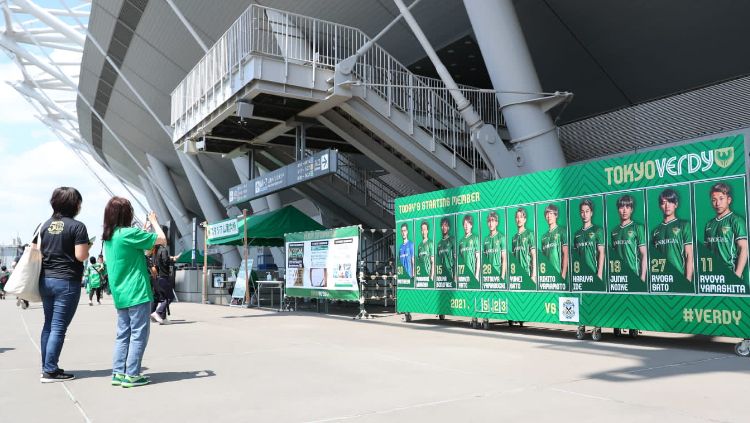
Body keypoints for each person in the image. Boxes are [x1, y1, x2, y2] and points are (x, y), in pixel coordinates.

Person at [103, 197, 166, 388]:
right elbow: (162, 239)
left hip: (121, 293)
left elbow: (144, 252)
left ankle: (118, 373)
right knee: (139, 333)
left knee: (123, 334)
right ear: (126, 214)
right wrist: (154, 221)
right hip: (137, 291)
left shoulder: (110, 236)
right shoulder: (128, 233)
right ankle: (132, 374)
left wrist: (144, 231)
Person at [35, 187, 90, 383]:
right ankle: (50, 370)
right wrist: (88, 248)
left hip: (45, 280)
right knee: (58, 327)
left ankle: (47, 367)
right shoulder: (77, 227)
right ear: (74, 204)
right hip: (66, 281)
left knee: (49, 325)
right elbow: (80, 256)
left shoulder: (45, 225)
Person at [704, 182, 748, 277]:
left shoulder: (736, 220)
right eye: (714, 200)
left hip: (730, 273)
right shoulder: (709, 224)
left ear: (729, 200)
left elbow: (744, 248)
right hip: (712, 276)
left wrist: (738, 274)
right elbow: (706, 252)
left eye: (721, 198)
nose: (717, 203)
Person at [652, 189, 693, 281]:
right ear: (660, 206)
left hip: (680, 277)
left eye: (670, 202)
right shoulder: (655, 231)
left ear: (676, 204)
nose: (667, 206)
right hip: (662, 280)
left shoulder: (684, 225)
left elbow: (689, 254)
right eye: (663, 203)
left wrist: (688, 279)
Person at [611, 195, 647, 281]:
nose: (624, 210)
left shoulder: (638, 227)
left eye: (627, 207)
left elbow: (644, 254)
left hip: (634, 274)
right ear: (618, 209)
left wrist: (642, 276)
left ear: (631, 209)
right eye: (621, 207)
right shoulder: (614, 231)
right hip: (619, 277)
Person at [573, 199, 605, 280]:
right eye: (582, 212)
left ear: (591, 213)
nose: (585, 214)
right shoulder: (577, 234)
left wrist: (600, 273)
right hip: (581, 275)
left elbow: (601, 252)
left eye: (587, 211)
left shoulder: (598, 230)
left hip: (594, 272)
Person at [150, 225, 175, 324]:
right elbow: (165, 262)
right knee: (169, 297)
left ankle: (160, 317)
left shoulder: (154, 250)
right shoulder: (163, 249)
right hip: (163, 277)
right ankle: (158, 312)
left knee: (158, 297)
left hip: (156, 278)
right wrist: (171, 260)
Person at [540, 204, 568, 279]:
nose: (549, 216)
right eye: (547, 214)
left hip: (559, 274)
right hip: (548, 276)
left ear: (556, 215)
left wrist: (564, 274)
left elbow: (566, 254)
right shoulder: (543, 237)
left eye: (551, 213)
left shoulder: (562, 231)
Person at [511, 208, 536, 282]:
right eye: (517, 217)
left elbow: (534, 255)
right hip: (517, 275)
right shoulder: (514, 238)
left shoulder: (530, 234)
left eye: (521, 217)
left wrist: (533, 275)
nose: (519, 219)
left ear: (525, 219)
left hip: (527, 273)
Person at [482, 211, 506, 279]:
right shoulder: (486, 239)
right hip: (487, 275)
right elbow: (484, 260)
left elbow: (504, 258)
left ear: (496, 223)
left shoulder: (501, 237)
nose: (491, 223)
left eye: (493, 221)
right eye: (489, 221)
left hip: (498, 274)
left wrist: (502, 276)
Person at [458, 214, 480, 281]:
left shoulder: (475, 238)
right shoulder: (461, 241)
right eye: (465, 224)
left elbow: (478, 258)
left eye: (468, 223)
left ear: (471, 225)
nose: (466, 226)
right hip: (463, 276)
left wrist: (476, 275)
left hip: (473, 274)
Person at [436, 217, 455, 283]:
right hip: (441, 277)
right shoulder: (439, 244)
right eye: (442, 225)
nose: (444, 227)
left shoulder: (452, 240)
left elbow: (455, 260)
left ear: (448, 227)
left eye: (446, 225)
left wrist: (455, 277)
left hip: (450, 275)